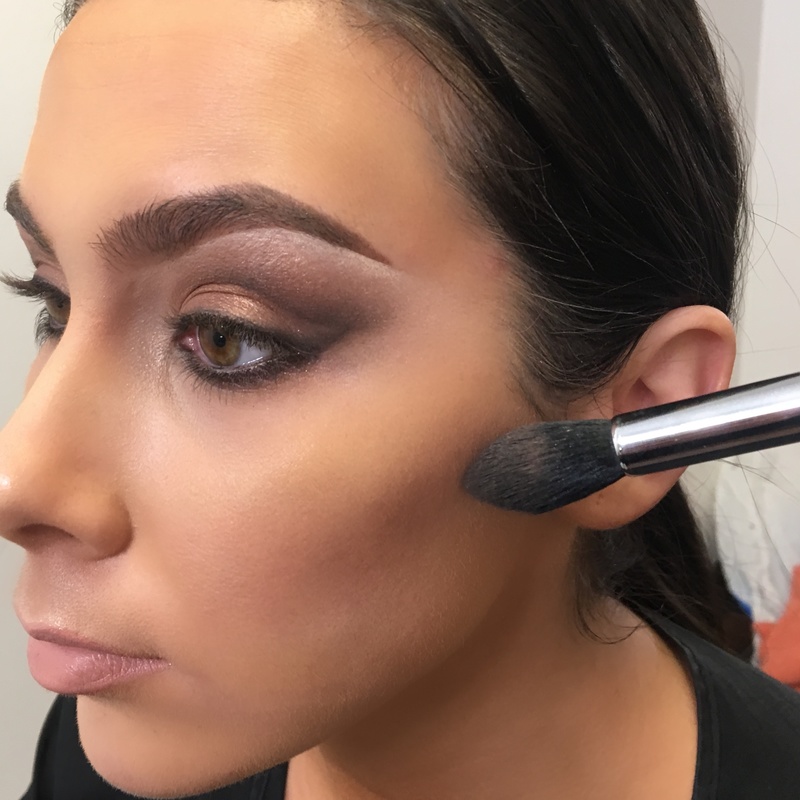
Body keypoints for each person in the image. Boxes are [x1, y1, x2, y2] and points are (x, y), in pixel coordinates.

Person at [1, 0, 799, 798]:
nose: (18, 484)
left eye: (227, 337)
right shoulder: (110, 723)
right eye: (55, 304)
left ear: (642, 402)